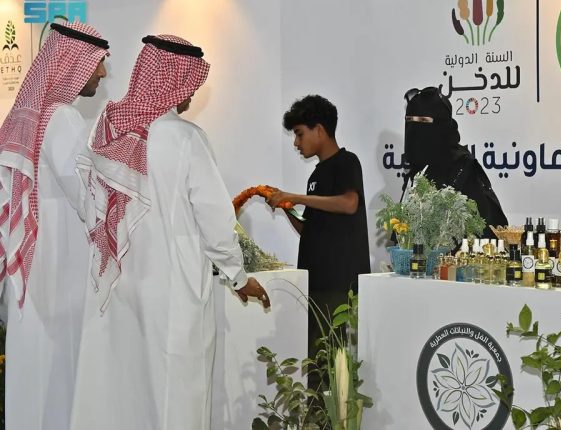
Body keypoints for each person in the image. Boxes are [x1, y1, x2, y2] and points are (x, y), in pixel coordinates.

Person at [70, 35, 270, 430]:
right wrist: (238, 276)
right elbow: (216, 223)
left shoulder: (108, 130)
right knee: (175, 392)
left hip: (120, 287)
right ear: (173, 80)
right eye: (189, 83)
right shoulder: (185, 139)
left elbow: (89, 205)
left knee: (124, 391)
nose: (191, 93)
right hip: (172, 291)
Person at [0, 22, 109, 430]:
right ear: (73, 64)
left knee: (36, 370)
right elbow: (87, 196)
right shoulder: (62, 117)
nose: (101, 73)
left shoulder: (32, 115)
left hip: (37, 260)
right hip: (57, 265)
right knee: (59, 373)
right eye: (97, 63)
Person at [268, 95, 370, 369]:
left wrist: (296, 197)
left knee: (335, 364)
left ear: (320, 130)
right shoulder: (315, 176)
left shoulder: (347, 162)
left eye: (300, 134)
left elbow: (349, 204)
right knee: (317, 360)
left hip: (340, 284)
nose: (296, 143)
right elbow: (308, 228)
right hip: (316, 282)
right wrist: (287, 207)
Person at [403, 86, 509, 236]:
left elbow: (486, 228)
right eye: (409, 120)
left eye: (423, 120)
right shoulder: (415, 169)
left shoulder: (463, 168)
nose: (414, 128)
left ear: (441, 124)